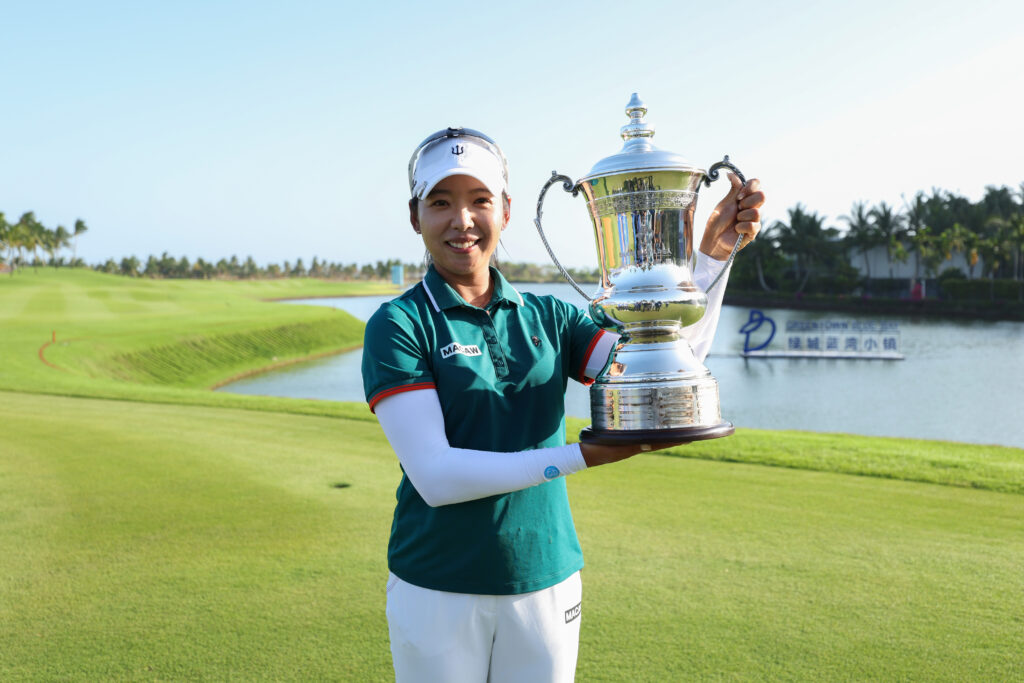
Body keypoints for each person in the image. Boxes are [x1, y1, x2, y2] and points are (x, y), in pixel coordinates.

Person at [362, 127, 764, 682]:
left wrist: (710, 259)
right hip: (435, 584)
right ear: (416, 216)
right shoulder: (399, 324)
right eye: (441, 203)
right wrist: (582, 456)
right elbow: (436, 476)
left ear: (505, 209)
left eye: (480, 201)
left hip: (546, 578)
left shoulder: (551, 318)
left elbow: (667, 371)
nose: (463, 221)